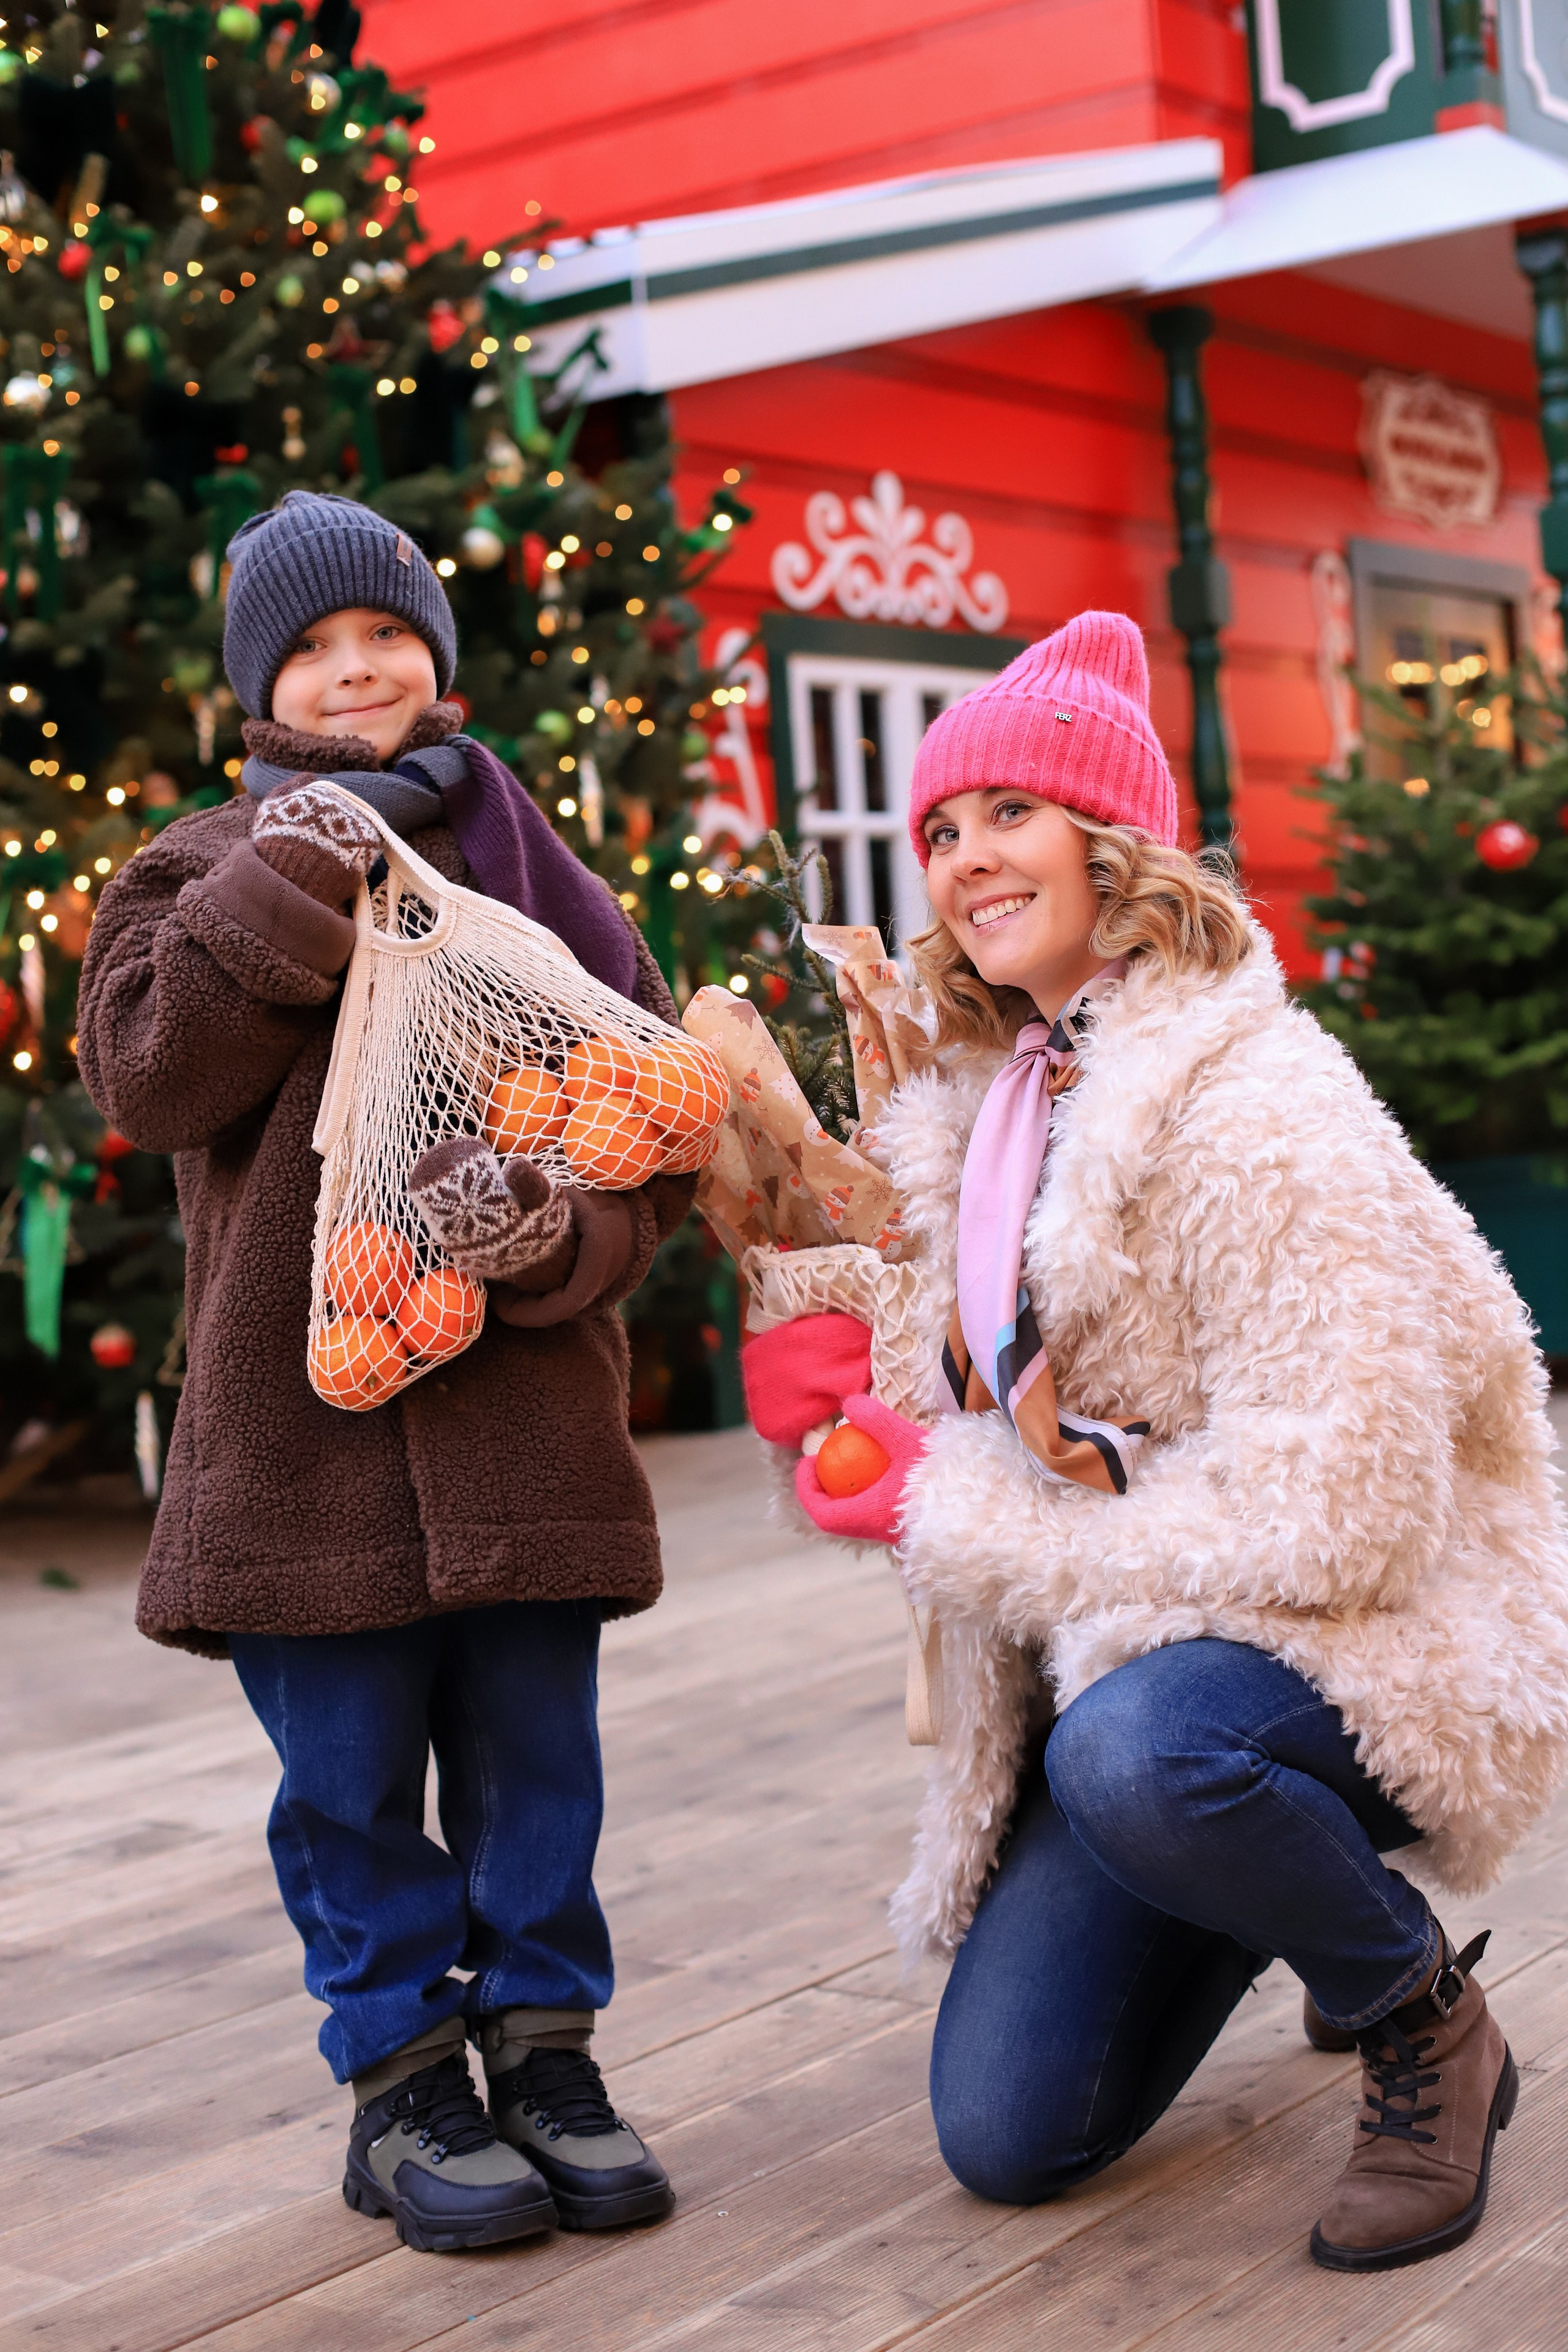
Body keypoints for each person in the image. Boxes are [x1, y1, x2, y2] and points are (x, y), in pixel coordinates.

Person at [742, 611, 1568, 2272]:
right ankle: (1267, 1878)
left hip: (1366, 1632)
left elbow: (1351, 1508)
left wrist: (958, 1502)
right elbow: (989, 1417)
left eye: (1011, 816)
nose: (968, 859)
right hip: (1139, 1653)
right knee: (1007, 2135)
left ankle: (1420, 2015)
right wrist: (837, 1386)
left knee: (1138, 1760)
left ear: (1113, 844)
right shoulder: (992, 1107)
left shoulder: (1265, 1107)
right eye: (944, 829)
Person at [77, 492, 686, 2254]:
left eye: (386, 637)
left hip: (519, 1417)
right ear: (258, 683)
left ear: (436, 648)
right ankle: (406, 2079)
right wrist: (302, 868)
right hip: (301, 1437)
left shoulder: (538, 868)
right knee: (346, 1781)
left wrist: (555, 1243)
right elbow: (151, 1075)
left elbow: (641, 1129)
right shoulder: (191, 868)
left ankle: (549, 2051)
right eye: (314, 650)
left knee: (533, 1765)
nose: (359, 672)